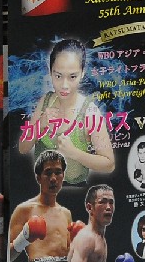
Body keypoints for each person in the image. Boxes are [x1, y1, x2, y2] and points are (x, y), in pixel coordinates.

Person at [18, 38, 114, 185]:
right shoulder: (46, 101)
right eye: (58, 76)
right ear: (50, 71)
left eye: (72, 77)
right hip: (42, 191)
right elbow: (23, 148)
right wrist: (40, 124)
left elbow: (109, 164)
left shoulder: (89, 112)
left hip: (73, 192)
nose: (64, 85)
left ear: (82, 73)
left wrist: (74, 153)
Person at [9, 150, 73, 262]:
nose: (53, 178)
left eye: (58, 172)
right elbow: (8, 257)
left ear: (63, 176)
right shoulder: (24, 210)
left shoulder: (66, 213)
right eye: (48, 173)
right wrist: (23, 239)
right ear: (38, 178)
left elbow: (70, 253)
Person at [66, 185, 134, 262]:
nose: (108, 207)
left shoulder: (99, 237)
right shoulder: (87, 238)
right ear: (90, 207)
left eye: (111, 202)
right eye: (102, 202)